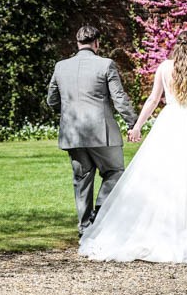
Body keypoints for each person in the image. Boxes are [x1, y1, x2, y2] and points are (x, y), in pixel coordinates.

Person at [78, 30, 187, 263]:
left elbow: (153, 100)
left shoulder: (164, 67)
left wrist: (137, 127)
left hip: (170, 122)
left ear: (176, 46)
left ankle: (164, 227)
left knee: (164, 174)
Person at [46, 25, 138, 236]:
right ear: (97, 43)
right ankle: (98, 213)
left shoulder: (61, 66)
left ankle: (84, 227)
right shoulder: (106, 64)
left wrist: (69, 110)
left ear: (77, 43)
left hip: (73, 133)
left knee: (82, 179)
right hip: (102, 133)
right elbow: (119, 98)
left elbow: (51, 100)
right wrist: (132, 122)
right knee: (114, 172)